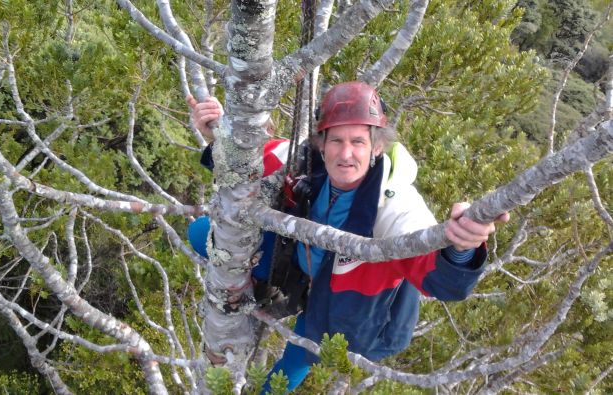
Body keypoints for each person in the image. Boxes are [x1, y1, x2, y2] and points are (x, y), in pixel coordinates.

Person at [186, 82, 509, 393]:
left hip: (353, 302)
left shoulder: (395, 205)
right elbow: (249, 160)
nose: (346, 154)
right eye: (336, 141)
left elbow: (442, 279)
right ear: (321, 144)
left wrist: (462, 245)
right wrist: (218, 132)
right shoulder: (305, 162)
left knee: (302, 352)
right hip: (301, 268)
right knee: (202, 232)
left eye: (358, 142)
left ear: (377, 147)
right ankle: (261, 288)